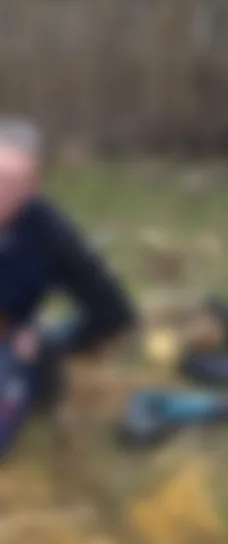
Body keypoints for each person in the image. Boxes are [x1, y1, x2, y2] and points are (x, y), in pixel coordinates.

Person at [0, 118, 136, 458]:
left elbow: (113, 312)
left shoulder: (50, 235)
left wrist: (48, 342)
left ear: (32, 187)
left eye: (10, 181)